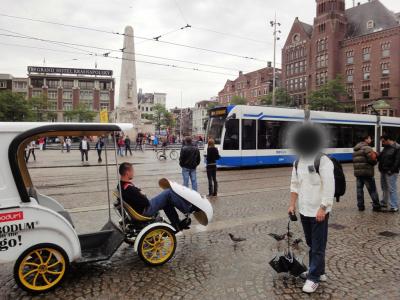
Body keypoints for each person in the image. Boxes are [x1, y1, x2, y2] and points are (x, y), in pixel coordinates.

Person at [288, 124, 334, 293]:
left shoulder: (323, 160)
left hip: (319, 211)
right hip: (304, 210)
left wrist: (323, 208)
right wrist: (292, 204)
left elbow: (330, 187)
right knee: (310, 243)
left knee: (318, 245)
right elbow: (294, 185)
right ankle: (319, 271)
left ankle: (313, 277)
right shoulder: (298, 161)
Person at [118, 162, 194, 231]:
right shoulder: (129, 188)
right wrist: (142, 194)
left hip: (139, 210)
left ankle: (176, 223)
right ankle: (187, 209)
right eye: (132, 171)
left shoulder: (121, 185)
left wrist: (138, 192)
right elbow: (145, 202)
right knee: (168, 192)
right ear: (127, 173)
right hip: (145, 210)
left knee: (166, 200)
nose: (133, 173)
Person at [352, 135, 381, 211]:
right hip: (367, 173)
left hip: (358, 173)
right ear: (366, 140)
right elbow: (372, 160)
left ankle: (360, 206)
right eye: (369, 138)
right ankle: (376, 206)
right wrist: (375, 160)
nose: (370, 139)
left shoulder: (356, 149)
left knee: (359, 190)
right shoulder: (367, 148)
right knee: (372, 190)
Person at [378, 134, 400, 212]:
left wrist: (391, 170)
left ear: (388, 140)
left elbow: (398, 161)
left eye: (383, 141)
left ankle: (394, 206)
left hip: (391, 172)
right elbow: (381, 157)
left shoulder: (397, 147)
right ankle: (384, 202)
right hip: (383, 171)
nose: (382, 143)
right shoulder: (386, 147)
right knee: (384, 188)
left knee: (392, 189)